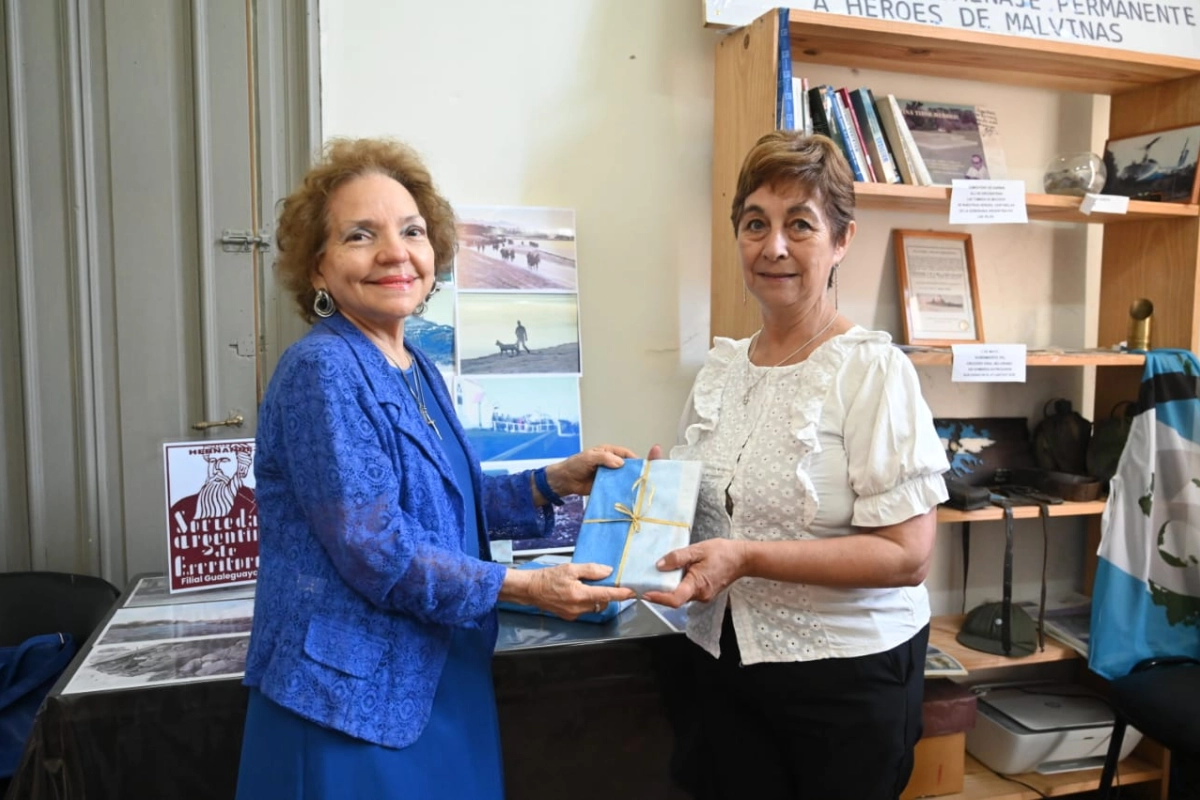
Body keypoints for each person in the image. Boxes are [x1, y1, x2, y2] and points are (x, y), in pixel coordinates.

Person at [236, 137, 637, 800]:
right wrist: (527, 587)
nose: (395, 252)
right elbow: (378, 548)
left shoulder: (415, 365)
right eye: (360, 235)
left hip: (438, 677)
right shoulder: (322, 370)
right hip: (348, 708)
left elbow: (447, 502)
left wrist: (553, 481)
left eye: (412, 231)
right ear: (317, 268)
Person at [643, 131, 949, 800]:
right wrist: (649, 500)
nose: (773, 246)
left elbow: (907, 556)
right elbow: (710, 517)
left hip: (844, 684)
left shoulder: (872, 370)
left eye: (800, 225)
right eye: (755, 224)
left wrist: (747, 557)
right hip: (722, 665)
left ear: (841, 241)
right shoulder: (721, 369)